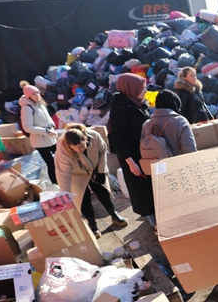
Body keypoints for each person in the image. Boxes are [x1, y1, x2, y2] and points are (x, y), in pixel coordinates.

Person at [55, 124, 127, 238]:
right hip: (76, 173)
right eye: (74, 149)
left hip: (94, 167)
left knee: (102, 191)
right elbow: (64, 174)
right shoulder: (63, 148)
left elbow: (103, 151)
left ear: (85, 139)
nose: (78, 151)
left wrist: (101, 171)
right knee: (83, 198)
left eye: (81, 147)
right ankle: (92, 225)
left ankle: (114, 215)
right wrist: (65, 195)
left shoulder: (94, 136)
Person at [109, 73, 154, 226]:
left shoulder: (139, 102)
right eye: (142, 88)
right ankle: (154, 223)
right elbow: (117, 138)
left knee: (152, 189)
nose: (145, 91)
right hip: (132, 156)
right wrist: (131, 163)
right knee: (143, 192)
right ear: (131, 88)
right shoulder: (120, 108)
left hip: (145, 152)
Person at [19, 81, 57, 184]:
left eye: (38, 93)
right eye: (33, 94)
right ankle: (56, 184)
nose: (37, 95)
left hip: (50, 137)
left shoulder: (40, 104)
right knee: (51, 163)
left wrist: (52, 126)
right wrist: (46, 131)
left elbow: (48, 118)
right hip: (40, 141)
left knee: (60, 158)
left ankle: (62, 179)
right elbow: (27, 127)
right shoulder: (27, 108)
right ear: (28, 96)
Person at [141, 89, 197, 157]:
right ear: (176, 104)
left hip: (155, 163)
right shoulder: (180, 121)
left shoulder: (146, 125)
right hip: (178, 162)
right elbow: (190, 150)